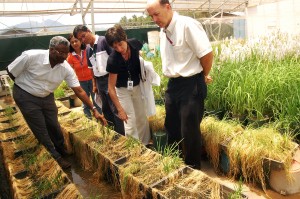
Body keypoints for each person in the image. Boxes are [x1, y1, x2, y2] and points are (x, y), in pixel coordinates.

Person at [6, 36, 107, 169]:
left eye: (66, 53)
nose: (64, 56)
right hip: (26, 95)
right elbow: (11, 71)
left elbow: (79, 91)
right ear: (51, 49)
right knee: (40, 127)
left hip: (47, 96)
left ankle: (61, 148)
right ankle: (55, 156)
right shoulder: (31, 56)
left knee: (53, 124)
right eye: (61, 52)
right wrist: (27, 85)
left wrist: (94, 108)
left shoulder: (65, 68)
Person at [146, 0, 213, 169]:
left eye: (156, 14)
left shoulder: (187, 25)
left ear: (167, 7)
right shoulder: (164, 31)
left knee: (189, 131)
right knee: (172, 127)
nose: (154, 19)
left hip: (191, 84)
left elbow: (206, 54)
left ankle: (192, 169)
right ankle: (175, 163)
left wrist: (203, 75)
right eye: (151, 16)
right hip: (173, 85)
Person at [73, 25, 125, 135]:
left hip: (110, 79)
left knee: (115, 108)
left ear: (88, 31)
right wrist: (94, 85)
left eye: (83, 36)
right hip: (100, 82)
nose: (83, 40)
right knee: (106, 110)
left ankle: (122, 135)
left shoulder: (103, 41)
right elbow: (91, 69)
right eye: (80, 39)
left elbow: (116, 58)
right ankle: (112, 133)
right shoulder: (88, 49)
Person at [105, 24, 151, 145]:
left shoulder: (134, 44)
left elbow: (140, 56)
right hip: (122, 90)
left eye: (120, 44)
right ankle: (134, 148)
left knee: (141, 116)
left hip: (136, 86)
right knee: (129, 119)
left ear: (125, 37)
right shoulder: (113, 60)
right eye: (115, 47)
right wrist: (120, 110)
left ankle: (145, 144)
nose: (119, 49)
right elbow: (111, 88)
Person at [67, 33, 101, 119]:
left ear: (80, 41)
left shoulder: (88, 50)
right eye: (72, 42)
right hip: (81, 82)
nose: (74, 43)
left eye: (76, 41)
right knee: (85, 103)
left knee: (96, 101)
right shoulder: (70, 56)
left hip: (92, 80)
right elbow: (69, 71)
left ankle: (101, 120)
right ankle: (89, 121)